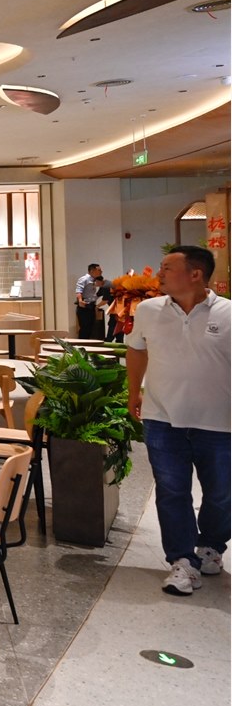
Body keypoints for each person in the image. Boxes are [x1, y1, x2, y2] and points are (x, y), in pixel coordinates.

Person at [126, 245, 230, 597]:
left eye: (167, 268)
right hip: (162, 418)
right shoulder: (148, 310)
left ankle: (211, 545)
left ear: (195, 274)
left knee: (221, 493)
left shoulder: (227, 314)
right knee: (172, 491)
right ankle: (183, 561)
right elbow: (136, 349)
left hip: (219, 423)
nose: (159, 274)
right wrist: (134, 392)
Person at [74, 262, 103, 339]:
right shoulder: (84, 279)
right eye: (99, 270)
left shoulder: (95, 280)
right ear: (92, 271)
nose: (101, 271)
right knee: (85, 328)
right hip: (84, 306)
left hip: (91, 306)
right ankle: (81, 344)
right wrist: (80, 300)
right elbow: (79, 290)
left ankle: (87, 344)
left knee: (91, 328)